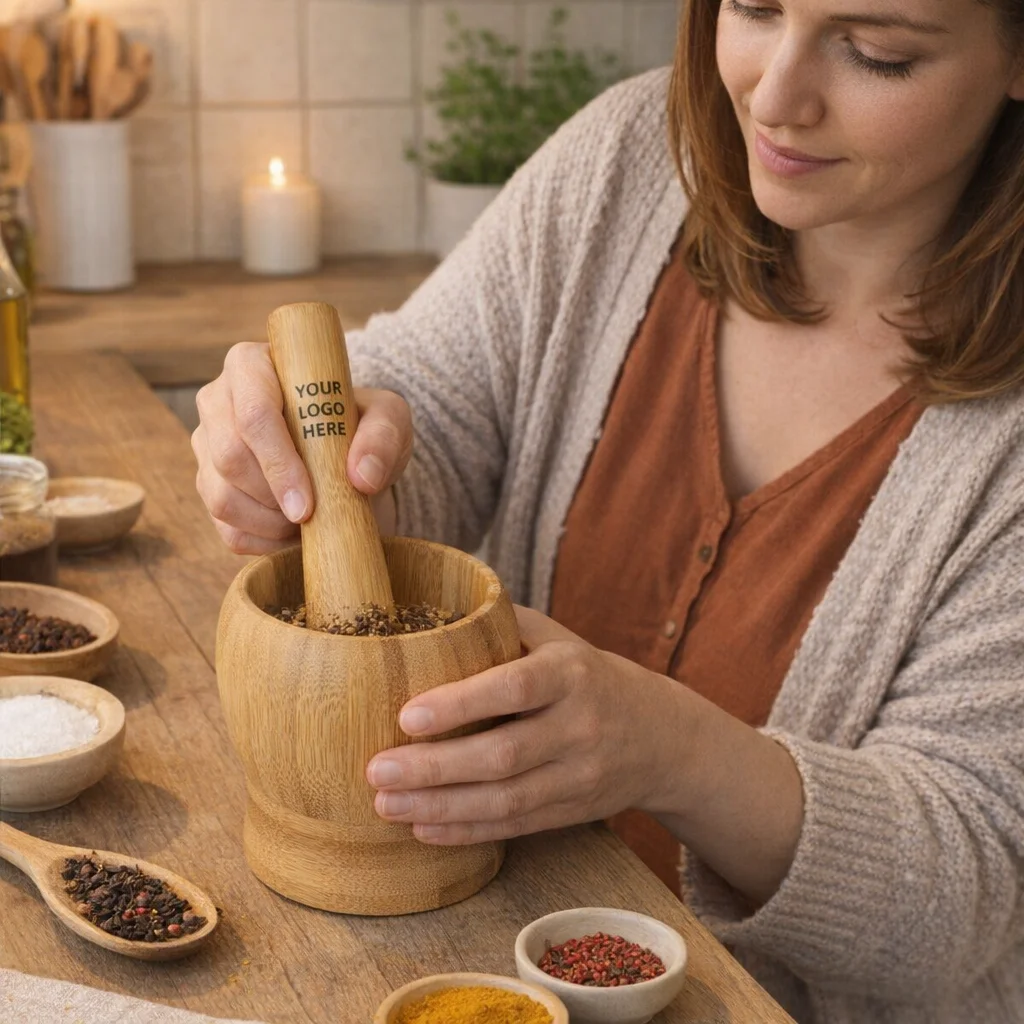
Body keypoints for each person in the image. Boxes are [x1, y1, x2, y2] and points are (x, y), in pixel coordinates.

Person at [191, 1, 1024, 1020]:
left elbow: (967, 903)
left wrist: (670, 751)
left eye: (876, 53)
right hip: (482, 963)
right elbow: (429, 397)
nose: (773, 93)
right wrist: (316, 460)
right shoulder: (632, 158)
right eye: (755, 7)